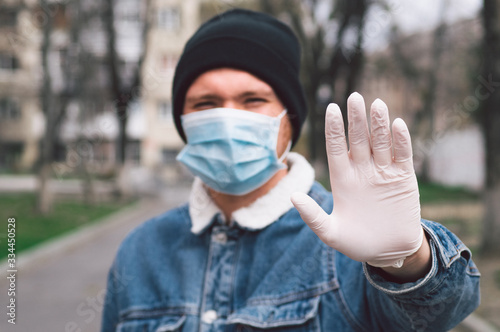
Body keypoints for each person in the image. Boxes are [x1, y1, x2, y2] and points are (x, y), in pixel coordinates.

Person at [101, 8, 480, 332]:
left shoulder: (350, 239)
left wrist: (407, 261)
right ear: (182, 120)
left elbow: (439, 314)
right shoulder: (141, 251)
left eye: (253, 99)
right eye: (207, 103)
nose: (229, 117)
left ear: (289, 121)